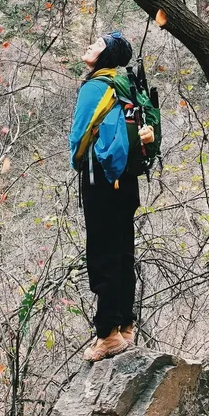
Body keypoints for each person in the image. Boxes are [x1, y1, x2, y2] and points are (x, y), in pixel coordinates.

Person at [69, 30, 154, 362]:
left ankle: (107, 334)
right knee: (122, 252)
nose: (90, 45)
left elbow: (77, 141)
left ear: (105, 57)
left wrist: (78, 155)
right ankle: (125, 324)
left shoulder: (94, 87)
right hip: (128, 180)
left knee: (102, 255)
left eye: (98, 44)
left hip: (101, 179)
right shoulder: (126, 88)